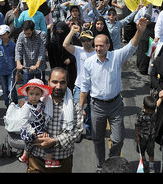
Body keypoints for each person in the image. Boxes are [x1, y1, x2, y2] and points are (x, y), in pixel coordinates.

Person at [79, 17, 148, 172]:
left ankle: (112, 163)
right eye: (96, 45)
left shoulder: (116, 57)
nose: (97, 48)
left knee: (117, 139)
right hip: (96, 106)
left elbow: (132, 46)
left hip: (116, 105)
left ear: (108, 46)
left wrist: (140, 30)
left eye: (101, 45)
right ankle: (100, 167)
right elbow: (84, 86)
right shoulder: (89, 63)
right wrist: (80, 106)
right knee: (97, 139)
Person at [26, 67, 83, 173]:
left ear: (67, 84)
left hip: (62, 162)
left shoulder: (74, 107)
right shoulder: (37, 102)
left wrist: (54, 141)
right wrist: (36, 138)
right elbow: (24, 125)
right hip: (37, 160)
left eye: (62, 82)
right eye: (54, 82)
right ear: (48, 82)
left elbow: (78, 132)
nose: (58, 86)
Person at [63, 25, 96, 140]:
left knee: (91, 110)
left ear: (93, 40)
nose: (86, 43)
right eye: (83, 40)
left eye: (88, 40)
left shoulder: (98, 52)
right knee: (77, 111)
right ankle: (77, 132)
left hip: (93, 88)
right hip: (79, 86)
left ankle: (89, 130)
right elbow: (65, 44)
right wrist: (72, 31)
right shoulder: (78, 50)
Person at [17, 78, 59, 168]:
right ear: (27, 94)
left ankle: (24, 156)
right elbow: (24, 122)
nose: (34, 97)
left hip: (39, 128)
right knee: (49, 142)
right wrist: (32, 132)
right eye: (31, 94)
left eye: (37, 94)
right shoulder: (26, 107)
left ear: (41, 95)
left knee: (30, 144)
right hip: (31, 131)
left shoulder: (40, 104)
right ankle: (48, 161)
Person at [0, 24, 18, 108]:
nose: (2, 36)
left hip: (11, 71)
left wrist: (18, 72)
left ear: (8, 34)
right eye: (0, 35)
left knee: (12, 89)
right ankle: (8, 107)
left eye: (3, 34)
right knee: (4, 90)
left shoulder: (13, 46)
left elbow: (17, 59)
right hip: (1, 71)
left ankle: (15, 105)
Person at [135, 95, 157, 173]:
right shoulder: (141, 115)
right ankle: (143, 161)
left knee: (151, 153)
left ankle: (151, 167)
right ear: (144, 106)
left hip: (151, 137)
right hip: (142, 137)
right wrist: (137, 136)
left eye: (152, 111)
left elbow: (157, 104)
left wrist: (160, 98)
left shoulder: (153, 112)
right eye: (148, 111)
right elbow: (137, 126)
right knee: (142, 150)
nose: (150, 112)